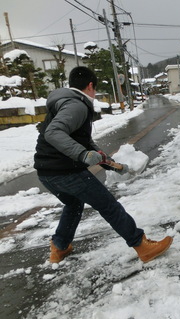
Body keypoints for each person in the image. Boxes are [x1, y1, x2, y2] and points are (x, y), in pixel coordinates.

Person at [34, 66, 172, 264]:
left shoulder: (65, 102)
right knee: (109, 206)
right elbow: (54, 133)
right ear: (90, 85)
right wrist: (82, 155)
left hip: (46, 172)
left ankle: (59, 246)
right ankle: (142, 246)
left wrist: (107, 162)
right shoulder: (77, 105)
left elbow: (82, 140)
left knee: (73, 204)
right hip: (66, 172)